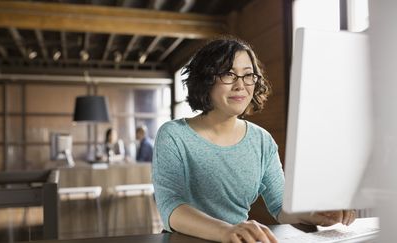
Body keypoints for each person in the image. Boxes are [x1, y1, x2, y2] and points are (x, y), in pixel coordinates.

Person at [152, 37, 357, 243]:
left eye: (248, 75)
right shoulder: (173, 135)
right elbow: (172, 208)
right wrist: (226, 231)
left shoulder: (262, 140)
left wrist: (315, 214)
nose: (240, 85)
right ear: (205, 79)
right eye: (228, 74)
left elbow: (280, 206)